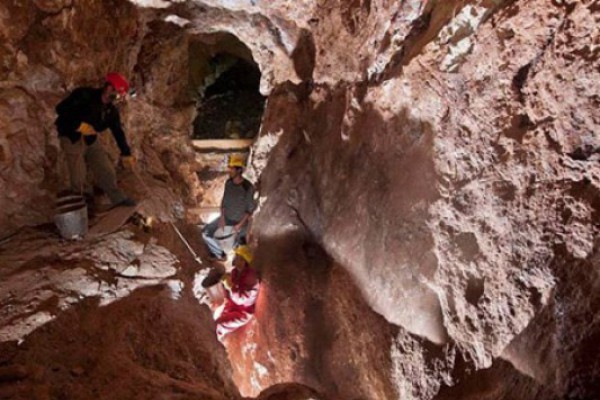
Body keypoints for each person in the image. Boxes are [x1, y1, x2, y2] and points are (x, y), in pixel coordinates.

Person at [55, 72, 136, 207]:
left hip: (90, 138)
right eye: (116, 93)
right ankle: (80, 207)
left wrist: (126, 153)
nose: (117, 98)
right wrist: (78, 125)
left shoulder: (111, 111)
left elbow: (118, 132)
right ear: (109, 88)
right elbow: (61, 109)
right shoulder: (84, 95)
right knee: (78, 176)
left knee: (106, 170)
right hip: (71, 136)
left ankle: (117, 198)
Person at [202, 154, 255, 260]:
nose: (229, 171)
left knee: (239, 247)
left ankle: (234, 251)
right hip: (226, 218)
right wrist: (221, 218)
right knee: (205, 233)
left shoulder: (248, 187)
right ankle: (220, 255)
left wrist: (239, 225)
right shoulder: (229, 183)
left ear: (239, 170)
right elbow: (224, 202)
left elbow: (249, 210)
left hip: (239, 222)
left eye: (232, 169)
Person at [213, 245, 260, 342]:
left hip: (243, 312)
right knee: (217, 320)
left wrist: (230, 286)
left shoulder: (251, 277)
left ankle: (214, 342)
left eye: (237, 256)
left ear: (243, 260)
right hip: (233, 304)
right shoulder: (235, 271)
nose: (234, 258)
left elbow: (242, 299)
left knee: (220, 324)